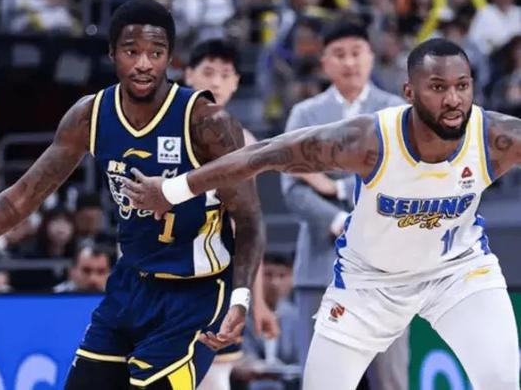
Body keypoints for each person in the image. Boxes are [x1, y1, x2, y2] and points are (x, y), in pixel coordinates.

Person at [0, 0, 265, 390]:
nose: (144, 63)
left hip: (195, 294)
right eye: (132, 51)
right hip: (130, 286)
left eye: (156, 53)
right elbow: (20, 199)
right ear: (112, 54)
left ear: (170, 58)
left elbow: (249, 220)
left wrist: (241, 298)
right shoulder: (90, 116)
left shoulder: (207, 122)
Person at [123, 38, 521, 390]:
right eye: (437, 87)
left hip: (456, 273)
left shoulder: (496, 138)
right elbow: (263, 154)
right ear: (409, 93)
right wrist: (172, 191)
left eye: (462, 86)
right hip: (369, 284)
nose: (453, 99)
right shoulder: (369, 140)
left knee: (502, 380)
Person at [281, 22, 409, 390]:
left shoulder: (396, 112)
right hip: (321, 266)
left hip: (386, 274)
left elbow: (404, 182)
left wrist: (336, 187)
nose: (349, 62)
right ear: (324, 62)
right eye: (339, 55)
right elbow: (292, 188)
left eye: (356, 53)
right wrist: (337, 220)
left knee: (391, 381)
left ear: (370, 56)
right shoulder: (305, 114)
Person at [185, 39, 279, 390]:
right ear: (188, 75)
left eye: (225, 75)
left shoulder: (245, 140)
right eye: (208, 72)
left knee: (215, 376)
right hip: (166, 271)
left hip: (218, 276)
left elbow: (248, 226)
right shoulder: (163, 129)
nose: (216, 82)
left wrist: (258, 302)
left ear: (237, 82)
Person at [232, 252, 301, 390]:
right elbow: (238, 355)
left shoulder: (297, 317)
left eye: (282, 276)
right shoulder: (239, 314)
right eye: (268, 275)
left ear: (292, 279)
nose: (274, 282)